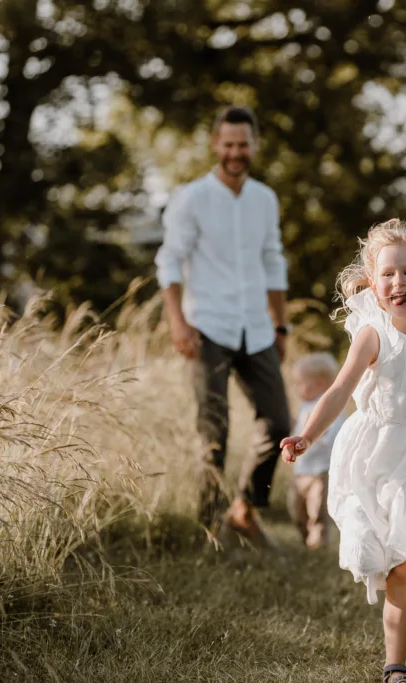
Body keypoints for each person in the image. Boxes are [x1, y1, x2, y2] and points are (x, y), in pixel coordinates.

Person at [280, 219, 406, 683]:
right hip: (374, 454)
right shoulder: (374, 335)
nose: (397, 283)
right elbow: (338, 390)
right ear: (374, 282)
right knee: (384, 560)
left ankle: (396, 666)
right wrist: (308, 435)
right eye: (387, 274)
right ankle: (394, 657)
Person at [155, 105, 291, 542]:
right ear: (216, 144)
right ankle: (207, 531)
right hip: (207, 325)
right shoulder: (191, 198)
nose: (236, 152)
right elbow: (170, 261)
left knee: (280, 422)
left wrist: (281, 325)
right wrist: (177, 322)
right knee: (214, 431)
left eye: (243, 144)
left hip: (256, 325)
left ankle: (244, 509)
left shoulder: (264, 199)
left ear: (254, 146)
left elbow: (272, 260)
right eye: (228, 144)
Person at [288, 352, 345, 550]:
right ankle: (306, 541)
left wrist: (312, 436)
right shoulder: (305, 406)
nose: (297, 388)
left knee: (317, 510)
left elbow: (330, 437)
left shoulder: (330, 408)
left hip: (320, 470)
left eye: (301, 383)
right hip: (301, 470)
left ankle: (319, 545)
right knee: (297, 510)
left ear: (320, 383)